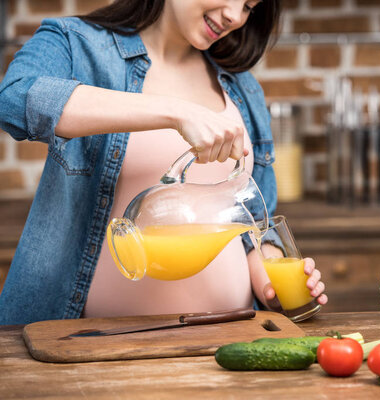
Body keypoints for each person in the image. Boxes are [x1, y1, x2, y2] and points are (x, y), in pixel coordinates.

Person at [0, 0, 327, 325]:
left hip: (229, 339)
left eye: (248, 7)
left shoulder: (242, 87)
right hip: (103, 349)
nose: (234, 15)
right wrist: (176, 112)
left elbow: (253, 229)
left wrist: (274, 286)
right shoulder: (78, 45)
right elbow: (14, 98)